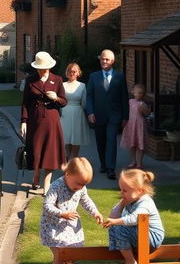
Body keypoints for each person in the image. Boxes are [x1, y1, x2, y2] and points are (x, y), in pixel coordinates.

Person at [40, 157, 104, 264]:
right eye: (79, 183)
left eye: (84, 184)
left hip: (70, 228)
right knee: (60, 256)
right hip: (54, 227)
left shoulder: (80, 188)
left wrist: (96, 213)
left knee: (72, 256)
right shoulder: (56, 186)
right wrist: (62, 213)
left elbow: (86, 200)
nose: (81, 187)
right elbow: (47, 205)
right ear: (68, 174)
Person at [20, 51, 67, 193]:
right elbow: (25, 103)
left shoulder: (57, 79)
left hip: (52, 120)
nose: (42, 70)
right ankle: (36, 175)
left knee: (50, 152)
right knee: (36, 150)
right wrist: (23, 121)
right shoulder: (30, 80)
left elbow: (64, 101)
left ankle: (47, 185)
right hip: (35, 120)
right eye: (40, 68)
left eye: (44, 67)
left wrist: (56, 98)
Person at [103, 168, 165, 264]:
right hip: (142, 234)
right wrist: (122, 204)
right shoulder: (130, 199)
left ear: (140, 190)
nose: (121, 193)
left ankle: (131, 263)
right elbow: (113, 216)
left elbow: (135, 218)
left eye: (125, 190)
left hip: (153, 237)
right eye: (121, 189)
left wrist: (116, 222)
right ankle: (121, 251)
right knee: (115, 227)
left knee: (120, 227)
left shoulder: (145, 202)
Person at [85, 49, 129, 180]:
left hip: (114, 116)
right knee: (100, 141)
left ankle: (111, 168)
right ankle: (103, 164)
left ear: (112, 61)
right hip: (98, 115)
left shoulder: (120, 77)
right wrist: (90, 112)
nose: (104, 61)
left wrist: (126, 116)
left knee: (111, 140)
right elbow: (89, 96)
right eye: (102, 59)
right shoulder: (94, 76)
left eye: (107, 59)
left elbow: (124, 98)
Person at [60, 62, 90, 160]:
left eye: (74, 71)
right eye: (70, 71)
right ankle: (68, 157)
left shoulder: (82, 86)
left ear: (78, 73)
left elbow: (84, 102)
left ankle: (74, 158)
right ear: (67, 72)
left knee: (76, 137)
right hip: (65, 113)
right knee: (66, 138)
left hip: (77, 113)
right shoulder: (62, 85)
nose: (72, 73)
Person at [120, 83, 151, 169]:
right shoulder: (129, 102)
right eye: (137, 92)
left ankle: (139, 163)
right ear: (133, 92)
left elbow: (147, 114)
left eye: (140, 93)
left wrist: (143, 109)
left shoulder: (143, 104)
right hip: (130, 126)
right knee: (132, 144)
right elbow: (125, 113)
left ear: (143, 94)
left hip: (139, 126)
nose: (138, 94)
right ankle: (133, 160)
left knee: (140, 145)